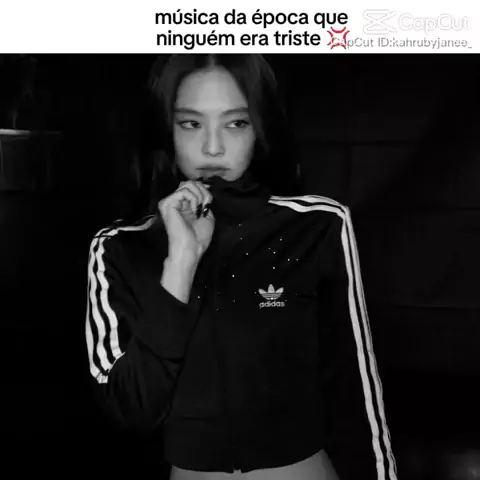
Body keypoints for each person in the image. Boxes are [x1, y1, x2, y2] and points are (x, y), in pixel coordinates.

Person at [85, 54, 398, 480]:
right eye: (191, 123)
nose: (213, 147)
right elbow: (133, 407)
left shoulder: (316, 226)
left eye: (235, 123)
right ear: (166, 130)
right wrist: (180, 263)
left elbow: (355, 388)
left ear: (259, 129)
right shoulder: (121, 247)